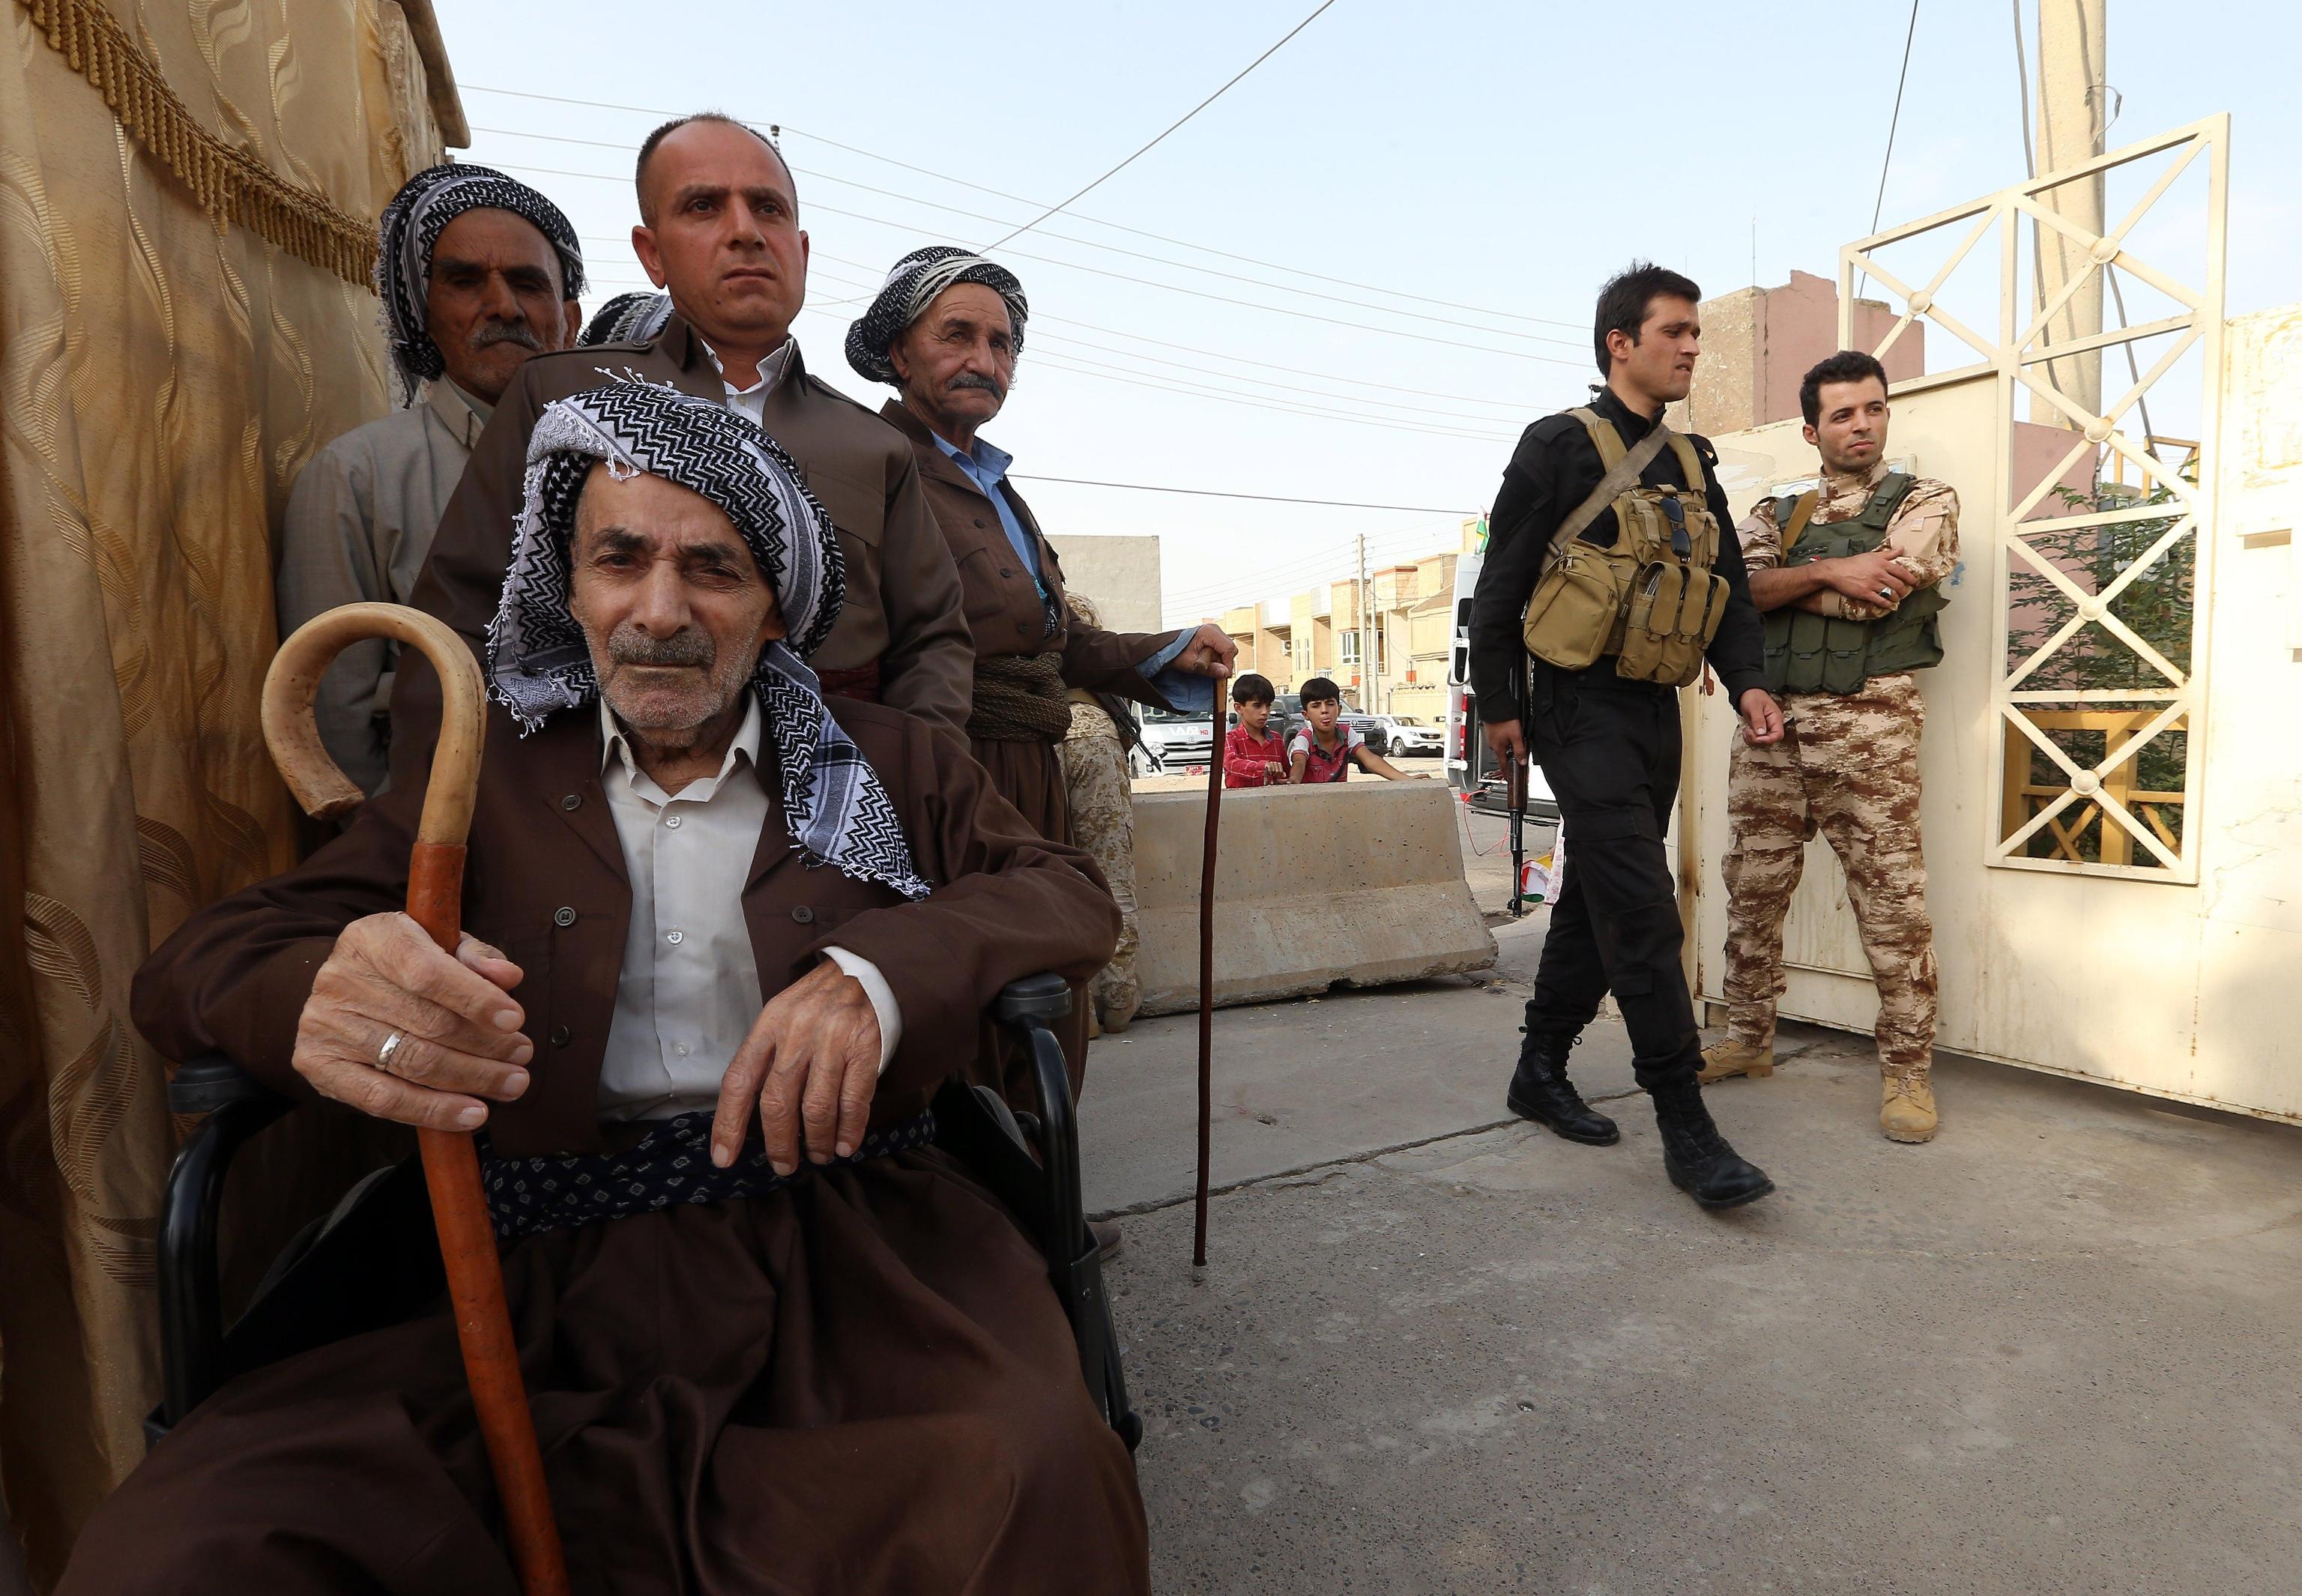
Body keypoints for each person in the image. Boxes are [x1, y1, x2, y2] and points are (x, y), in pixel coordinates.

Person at [62, 384, 1145, 1595]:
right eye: (618, 560)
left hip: (850, 1244)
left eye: (713, 569)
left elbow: (1061, 893)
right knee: (193, 1550)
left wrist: (882, 974)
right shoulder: (483, 777)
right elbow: (203, 967)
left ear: (776, 611)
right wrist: (327, 992)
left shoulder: (889, 762)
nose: (659, 612)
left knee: (1026, 1485)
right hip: (518, 1260)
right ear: (565, 588)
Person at [391, 112, 974, 789]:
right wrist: (443, 808)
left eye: (768, 209)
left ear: (803, 250)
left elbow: (933, 640)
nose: (746, 231)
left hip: (826, 814)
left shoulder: (873, 444)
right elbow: (459, 617)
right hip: (589, 805)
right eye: (703, 206)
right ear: (652, 254)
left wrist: (907, 789)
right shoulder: (559, 395)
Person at [1467, 262, 1784, 1210]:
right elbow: (1501, 584)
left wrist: (1752, 683)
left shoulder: (1693, 463)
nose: (1693, 347)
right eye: (1676, 332)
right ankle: (1686, 1127)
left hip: (1655, 707)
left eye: (1696, 333)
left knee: (1604, 895)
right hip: (1573, 704)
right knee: (1645, 908)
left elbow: (1724, 590)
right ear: (1621, 343)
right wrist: (1498, 707)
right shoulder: (1557, 445)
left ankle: (1539, 1068)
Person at [844, 244, 1235, 838]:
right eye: (957, 335)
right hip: (934, 782)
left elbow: (1052, 644)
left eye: (1001, 344)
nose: (984, 360)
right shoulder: (868, 467)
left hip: (1032, 772)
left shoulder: (1001, 491)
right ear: (899, 351)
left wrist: (1171, 649)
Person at [1701, 350, 1958, 1143]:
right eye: (1843, 414)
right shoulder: (1775, 511)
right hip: (1771, 726)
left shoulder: (1926, 499)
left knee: (1891, 907)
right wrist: (1838, 569)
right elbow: (1730, 600)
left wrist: (1795, 587)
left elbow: (1882, 598)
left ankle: (1908, 1075)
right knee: (1754, 886)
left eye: (1873, 409)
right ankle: (1748, 1038)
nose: (1861, 425)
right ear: (1812, 428)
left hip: (1869, 732)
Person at [277, 165, 584, 794]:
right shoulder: (357, 478)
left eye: (528, 283)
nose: (502, 306)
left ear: (569, 316)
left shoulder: (621, 464)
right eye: (464, 281)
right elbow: (335, 712)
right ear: (423, 311)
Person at [1287, 678, 1419, 783]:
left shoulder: (1346, 733)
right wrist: (1294, 780)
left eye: (1330, 704)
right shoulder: (1304, 738)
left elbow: (1371, 760)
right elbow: (1299, 761)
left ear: (1339, 710)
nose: (1324, 710)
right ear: (1306, 715)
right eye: (1316, 706)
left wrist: (1407, 780)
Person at [1222, 673, 1287, 788]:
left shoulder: (1277, 739)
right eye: (1257, 706)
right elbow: (1231, 763)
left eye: (1268, 706)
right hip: (1242, 804)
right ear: (1239, 708)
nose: (1265, 712)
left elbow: (1287, 773)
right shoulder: (1231, 739)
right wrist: (1263, 767)